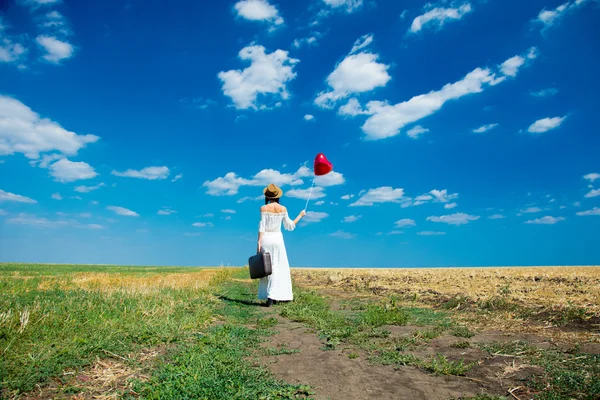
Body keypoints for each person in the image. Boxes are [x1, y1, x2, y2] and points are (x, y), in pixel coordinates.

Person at [257, 183, 306, 307]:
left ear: (267, 196)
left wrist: (258, 242)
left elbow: (262, 226)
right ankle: (274, 295)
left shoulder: (263, 208)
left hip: (266, 239)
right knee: (277, 267)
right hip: (278, 239)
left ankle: (269, 296)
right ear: (278, 196)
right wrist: (300, 215)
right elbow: (289, 226)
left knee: (266, 268)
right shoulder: (283, 209)